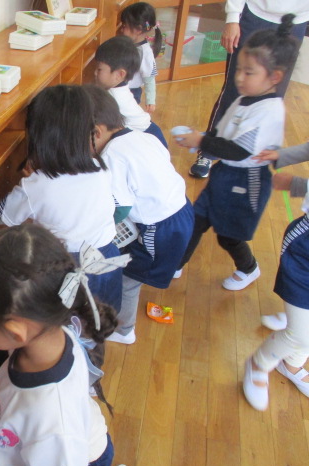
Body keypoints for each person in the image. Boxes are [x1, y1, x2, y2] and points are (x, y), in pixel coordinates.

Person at [0, 224, 134, 466]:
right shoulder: (43, 339)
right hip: (17, 451)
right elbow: (12, 380)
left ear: (15, 332)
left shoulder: (53, 426)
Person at [173, 17, 299, 291]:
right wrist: (201, 139)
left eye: (249, 72)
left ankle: (249, 268)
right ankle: (177, 263)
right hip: (225, 174)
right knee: (197, 220)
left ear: (275, 77)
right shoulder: (244, 100)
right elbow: (224, 133)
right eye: (239, 69)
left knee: (228, 235)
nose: (239, 77)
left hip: (247, 181)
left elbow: (239, 150)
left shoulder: (268, 111)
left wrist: (201, 140)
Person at [0, 84, 128, 320]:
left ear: (40, 136)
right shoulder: (99, 168)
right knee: (98, 320)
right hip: (105, 259)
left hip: (65, 268)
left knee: (67, 325)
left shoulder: (37, 186)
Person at [85, 85, 194, 345]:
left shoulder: (112, 155)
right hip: (183, 210)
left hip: (159, 227)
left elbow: (121, 208)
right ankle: (171, 266)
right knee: (147, 265)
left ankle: (124, 330)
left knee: (129, 278)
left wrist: (99, 228)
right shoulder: (143, 135)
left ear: (97, 132)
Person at [188, 1, 308, 178]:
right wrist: (232, 18)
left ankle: (254, 161)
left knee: (272, 99)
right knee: (235, 92)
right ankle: (209, 153)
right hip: (255, 15)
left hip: (297, 21)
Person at [242, 142, 309, 410]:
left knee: (303, 332)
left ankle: (292, 363)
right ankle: (259, 364)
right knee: (301, 334)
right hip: (304, 252)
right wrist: (296, 183)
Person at [94, 35, 167, 148]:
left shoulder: (113, 97)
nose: (95, 73)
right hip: (147, 130)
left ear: (120, 74)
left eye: (99, 69)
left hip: (147, 134)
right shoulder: (119, 87)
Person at [119, 2, 161, 112]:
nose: (121, 30)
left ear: (138, 29)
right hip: (120, 89)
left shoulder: (145, 52)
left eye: (124, 26)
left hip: (132, 92)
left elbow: (149, 79)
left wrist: (150, 100)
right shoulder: (127, 43)